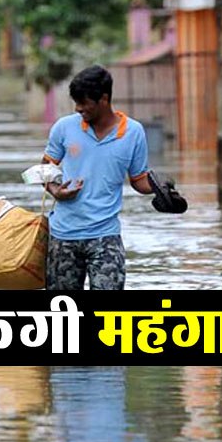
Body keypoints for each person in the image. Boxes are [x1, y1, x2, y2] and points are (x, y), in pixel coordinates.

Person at [41, 65, 155, 290]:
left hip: (106, 235)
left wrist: (160, 188)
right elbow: (44, 169)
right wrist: (56, 191)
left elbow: (139, 180)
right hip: (63, 235)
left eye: (84, 103)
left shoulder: (133, 133)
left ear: (104, 99)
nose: (78, 109)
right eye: (76, 103)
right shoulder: (64, 128)